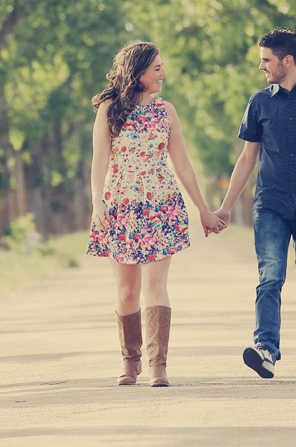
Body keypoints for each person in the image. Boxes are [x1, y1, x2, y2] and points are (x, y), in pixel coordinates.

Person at [87, 41, 224, 387]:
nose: (164, 73)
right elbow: (100, 160)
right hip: (120, 206)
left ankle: (157, 364)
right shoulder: (109, 108)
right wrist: (97, 203)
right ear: (139, 72)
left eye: (163, 67)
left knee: (155, 285)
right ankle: (129, 361)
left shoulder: (167, 111)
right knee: (127, 291)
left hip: (160, 206)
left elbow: (183, 165)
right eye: (157, 68)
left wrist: (203, 209)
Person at [214, 28, 296, 381]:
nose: (262, 66)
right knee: (269, 278)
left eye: (266, 59)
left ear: (288, 61)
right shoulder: (260, 102)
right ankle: (266, 351)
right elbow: (246, 159)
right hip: (270, 204)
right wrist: (225, 207)